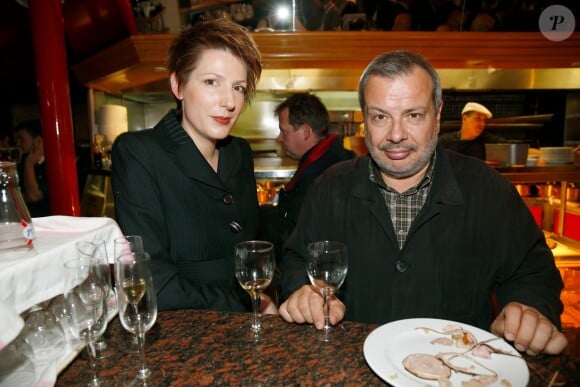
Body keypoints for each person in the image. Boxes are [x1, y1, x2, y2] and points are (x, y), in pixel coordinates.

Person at [279, 50, 567, 356]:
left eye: (413, 115)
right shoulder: (329, 187)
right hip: (353, 368)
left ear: (438, 114)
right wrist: (302, 291)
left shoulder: (488, 189)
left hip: (459, 371)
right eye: (380, 117)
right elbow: (297, 259)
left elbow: (532, 273)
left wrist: (531, 308)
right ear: (365, 118)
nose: (396, 134)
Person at [111, 19, 277, 314]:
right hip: (184, 337)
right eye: (212, 82)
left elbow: (252, 247)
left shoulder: (239, 152)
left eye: (238, 87)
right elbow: (156, 284)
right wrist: (251, 304)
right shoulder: (139, 153)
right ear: (178, 85)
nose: (229, 101)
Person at [261, 92, 355, 261]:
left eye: (284, 131)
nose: (279, 138)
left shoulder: (322, 175)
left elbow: (297, 234)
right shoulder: (333, 157)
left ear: (305, 131)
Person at [438, 101, 504, 160]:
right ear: (465, 118)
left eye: (484, 120)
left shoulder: (488, 141)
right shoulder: (445, 141)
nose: (482, 124)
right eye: (478, 119)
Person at [13, 119, 51, 217]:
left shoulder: (51, 165)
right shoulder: (21, 163)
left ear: (37, 141)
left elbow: (33, 196)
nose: (18, 143)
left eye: (21, 138)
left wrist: (29, 164)